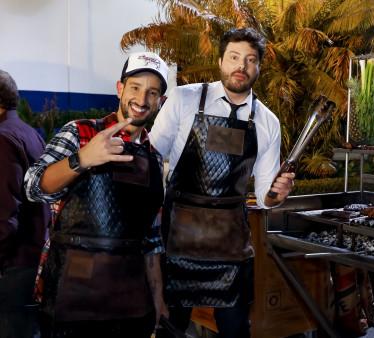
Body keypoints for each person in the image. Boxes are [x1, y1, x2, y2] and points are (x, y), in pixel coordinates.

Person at [150, 27, 294, 338]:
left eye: (250, 60)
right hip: (178, 238)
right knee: (169, 326)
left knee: (236, 329)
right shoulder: (183, 99)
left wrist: (278, 194)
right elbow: (148, 160)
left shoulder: (267, 121)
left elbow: (265, 196)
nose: (241, 66)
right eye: (234, 57)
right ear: (220, 61)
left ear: (258, 68)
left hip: (230, 244)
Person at [24, 52, 170, 338]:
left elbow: (151, 240)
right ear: (120, 88)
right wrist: (82, 159)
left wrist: (158, 300)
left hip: (130, 299)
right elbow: (33, 187)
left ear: (160, 102)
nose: (142, 100)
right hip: (71, 295)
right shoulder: (80, 132)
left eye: (152, 92)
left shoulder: (154, 158)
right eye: (135, 88)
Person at [0, 70, 51, 338]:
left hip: (13, 266)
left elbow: (4, 214)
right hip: (32, 259)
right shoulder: (29, 133)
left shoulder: (3, 138)